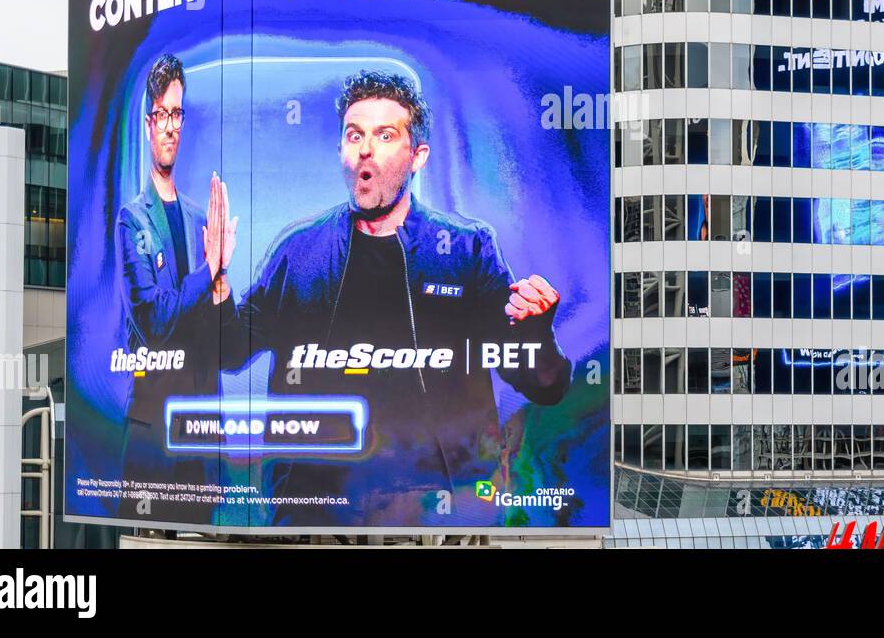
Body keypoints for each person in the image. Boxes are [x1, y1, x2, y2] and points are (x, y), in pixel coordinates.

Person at [237, 70, 571, 527]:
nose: (365, 149)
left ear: (417, 156)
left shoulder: (466, 249)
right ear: (341, 150)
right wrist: (213, 283)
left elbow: (543, 386)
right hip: (317, 508)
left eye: (385, 135)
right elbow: (231, 348)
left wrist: (536, 332)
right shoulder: (299, 252)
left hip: (441, 506)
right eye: (354, 135)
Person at [114, 53, 237, 521]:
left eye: (178, 114)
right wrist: (209, 270)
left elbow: (226, 347)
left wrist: (222, 281)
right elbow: (156, 319)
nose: (170, 126)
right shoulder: (132, 220)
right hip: (152, 439)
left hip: (200, 437)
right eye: (162, 115)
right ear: (149, 124)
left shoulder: (200, 220)